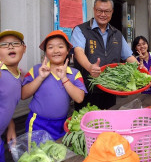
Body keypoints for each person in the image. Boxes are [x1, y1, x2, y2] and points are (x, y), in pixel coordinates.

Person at [71, 0, 137, 110]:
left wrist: (140, 69)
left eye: (106, 11)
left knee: (108, 123)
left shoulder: (117, 34)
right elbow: (78, 52)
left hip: (110, 89)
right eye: (99, 10)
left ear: (111, 12)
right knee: (87, 123)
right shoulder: (81, 30)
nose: (103, 14)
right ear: (94, 10)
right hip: (87, 89)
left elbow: (128, 56)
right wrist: (90, 67)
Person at [22, 30, 87, 140]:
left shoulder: (75, 73)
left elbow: (79, 98)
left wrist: (64, 78)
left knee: (59, 154)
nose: (56, 51)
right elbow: (23, 95)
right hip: (37, 123)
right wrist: (41, 77)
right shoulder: (37, 70)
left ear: (67, 51)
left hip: (62, 124)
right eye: (50, 47)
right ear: (46, 52)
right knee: (36, 155)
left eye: (60, 47)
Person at [0, 30, 26, 161]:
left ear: (24, 48)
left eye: (15, 43)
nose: (10, 46)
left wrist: (11, 126)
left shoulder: (20, 76)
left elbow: (4, 103)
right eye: (4, 44)